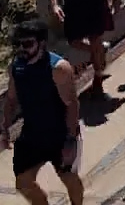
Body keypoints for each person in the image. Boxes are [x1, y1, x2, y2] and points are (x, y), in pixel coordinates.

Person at [2, 20, 84, 205]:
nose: (22, 49)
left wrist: (70, 140)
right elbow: (11, 99)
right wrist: (5, 128)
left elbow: (71, 105)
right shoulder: (17, 67)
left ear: (42, 43)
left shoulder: (59, 69)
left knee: (68, 177)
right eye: (19, 45)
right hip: (33, 134)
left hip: (60, 133)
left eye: (28, 44)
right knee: (23, 182)